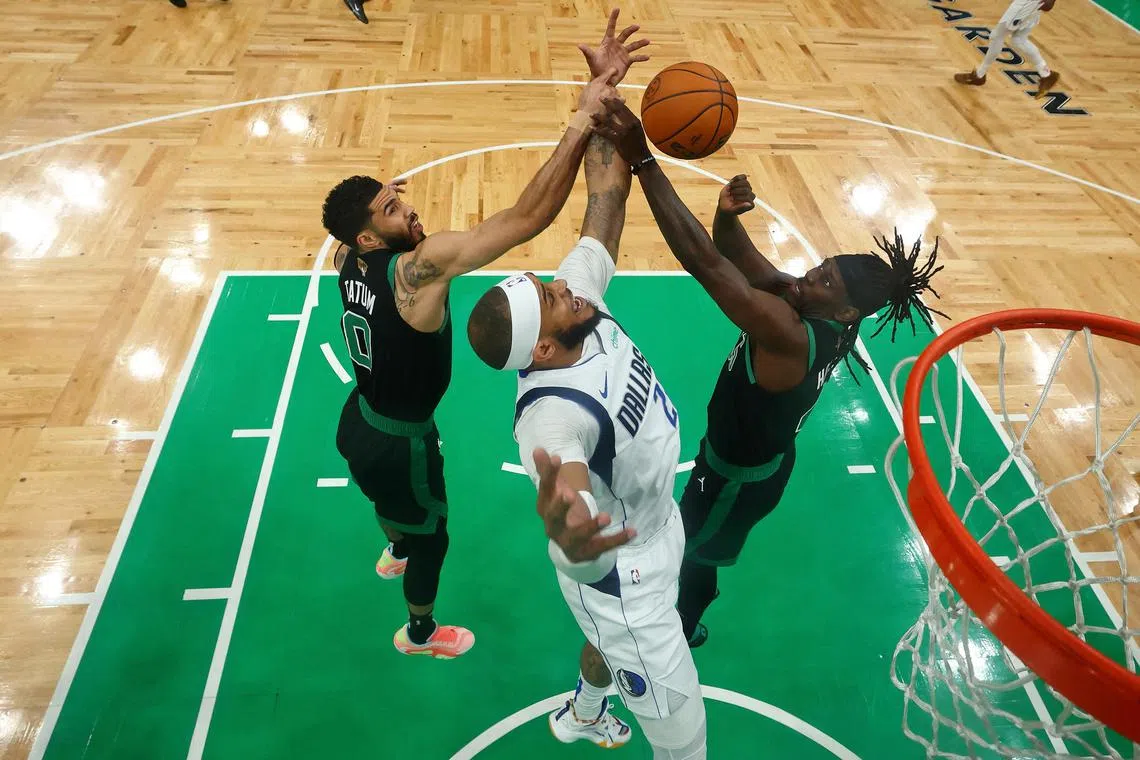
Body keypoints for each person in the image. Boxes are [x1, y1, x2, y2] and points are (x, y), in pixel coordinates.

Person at [319, 14, 630, 659]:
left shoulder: (353, 258)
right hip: (400, 440)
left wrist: (384, 206)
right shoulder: (416, 269)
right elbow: (527, 216)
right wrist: (582, 117)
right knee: (436, 536)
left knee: (393, 513)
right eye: (389, 207)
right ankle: (421, 631)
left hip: (358, 417)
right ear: (371, 239)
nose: (404, 203)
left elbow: (376, 225)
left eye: (393, 193)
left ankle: (396, 548)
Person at [588, 97, 946, 648]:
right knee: (694, 544)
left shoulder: (786, 330)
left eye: (825, 282)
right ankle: (683, 612)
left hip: (737, 479)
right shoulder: (809, 304)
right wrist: (726, 217)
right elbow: (740, 259)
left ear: (846, 312)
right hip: (740, 459)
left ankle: (678, 631)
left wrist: (643, 160)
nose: (808, 278)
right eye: (820, 268)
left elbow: (706, 264)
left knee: (690, 553)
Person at [465, 35, 708, 760]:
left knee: (600, 641)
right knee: (684, 743)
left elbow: (603, 206)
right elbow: (563, 479)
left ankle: (584, 709)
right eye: (553, 296)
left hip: (655, 526)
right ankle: (601, 706)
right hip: (621, 577)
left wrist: (600, 102)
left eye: (553, 282)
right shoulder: (550, 414)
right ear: (542, 348)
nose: (565, 285)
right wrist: (571, 532)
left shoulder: (576, 312)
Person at [954, 0, 1060, 98]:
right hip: (1031, 4)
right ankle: (1047, 74)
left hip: (1028, 3)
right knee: (1019, 39)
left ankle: (979, 75)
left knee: (997, 36)